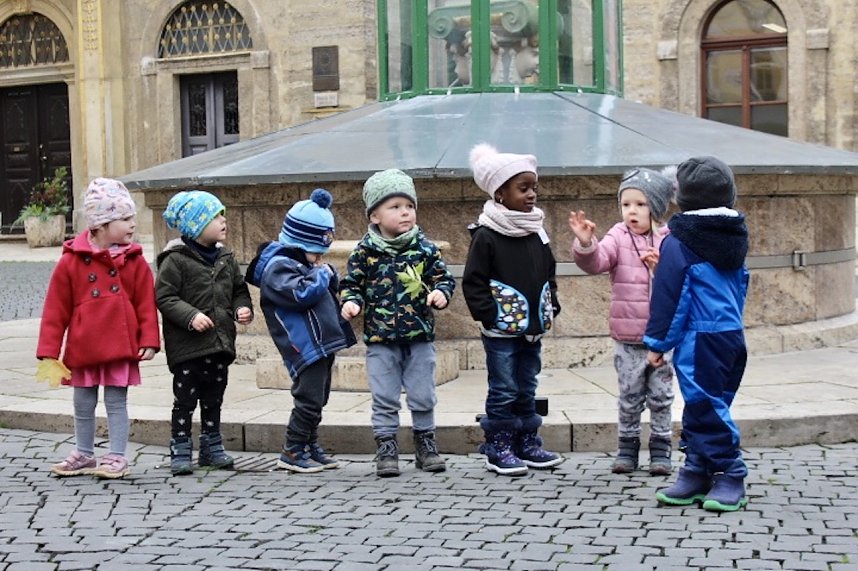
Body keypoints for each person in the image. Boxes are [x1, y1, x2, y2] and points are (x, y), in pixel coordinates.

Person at [644, 156, 750, 512]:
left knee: (705, 408)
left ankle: (730, 472)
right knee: (709, 404)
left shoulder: (679, 242)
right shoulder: (734, 235)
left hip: (700, 338)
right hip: (731, 335)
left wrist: (658, 343)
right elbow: (740, 285)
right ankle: (697, 470)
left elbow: (670, 297)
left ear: (683, 198)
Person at [37, 178, 160, 479]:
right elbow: (55, 309)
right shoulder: (70, 262)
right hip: (84, 345)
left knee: (116, 401)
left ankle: (117, 455)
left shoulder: (134, 261)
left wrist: (149, 340)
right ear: (101, 224)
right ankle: (84, 453)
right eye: (125, 219)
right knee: (82, 401)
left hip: (120, 345)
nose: (132, 224)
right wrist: (49, 351)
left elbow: (146, 304)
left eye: (132, 218)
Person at [340, 168, 455, 477]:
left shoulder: (424, 248)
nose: (405, 212)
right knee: (384, 396)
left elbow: (444, 279)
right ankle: (386, 446)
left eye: (409, 206)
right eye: (395, 206)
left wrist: (441, 294)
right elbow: (351, 284)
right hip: (381, 339)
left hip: (419, 337)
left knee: (422, 393)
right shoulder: (364, 252)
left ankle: (425, 444)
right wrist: (351, 302)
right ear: (374, 216)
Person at [462, 143, 564, 477]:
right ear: (500, 194)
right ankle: (498, 444)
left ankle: (526, 441)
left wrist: (551, 302)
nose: (532, 194)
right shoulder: (487, 235)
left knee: (526, 385)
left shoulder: (536, 230)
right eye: (523, 188)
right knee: (504, 387)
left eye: (534, 187)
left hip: (532, 328)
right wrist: (489, 315)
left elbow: (548, 270)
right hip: (500, 331)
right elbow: (474, 281)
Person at [569, 167, 676, 475]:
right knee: (629, 396)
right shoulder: (618, 235)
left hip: (661, 338)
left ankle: (661, 448)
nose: (632, 211)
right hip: (628, 336)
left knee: (661, 396)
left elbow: (679, 285)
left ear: (656, 207)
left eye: (640, 204)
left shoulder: (669, 240)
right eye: (626, 204)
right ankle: (627, 448)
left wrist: (661, 270)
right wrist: (586, 244)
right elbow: (598, 262)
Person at [245, 188, 356, 473]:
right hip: (303, 345)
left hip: (320, 343)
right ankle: (292, 449)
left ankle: (309, 443)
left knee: (319, 397)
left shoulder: (301, 263)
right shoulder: (278, 267)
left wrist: (329, 276)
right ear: (299, 243)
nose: (319, 259)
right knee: (308, 398)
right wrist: (322, 273)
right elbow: (301, 294)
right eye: (316, 252)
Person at [156, 190, 253, 476]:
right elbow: (165, 297)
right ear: (196, 225)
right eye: (215, 217)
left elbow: (238, 290)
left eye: (223, 215)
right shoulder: (175, 260)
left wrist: (242, 308)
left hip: (219, 344)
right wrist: (191, 316)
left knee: (214, 398)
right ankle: (181, 447)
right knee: (185, 400)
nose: (223, 221)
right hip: (188, 348)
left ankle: (211, 446)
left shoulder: (226, 257)